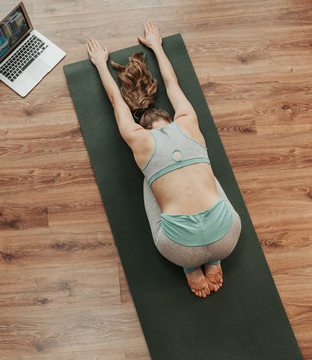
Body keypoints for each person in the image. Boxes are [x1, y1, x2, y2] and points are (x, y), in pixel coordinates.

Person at [86, 22, 241, 298]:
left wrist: (100, 63)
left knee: (150, 179)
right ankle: (214, 260)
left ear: (144, 128)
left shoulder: (138, 139)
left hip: (178, 250)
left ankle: (190, 268)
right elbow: (172, 84)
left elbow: (115, 101)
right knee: (205, 171)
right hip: (228, 238)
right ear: (170, 118)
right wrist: (156, 45)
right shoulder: (188, 122)